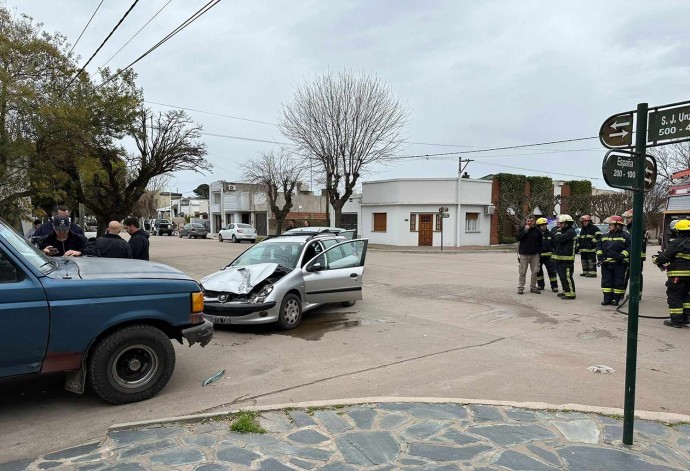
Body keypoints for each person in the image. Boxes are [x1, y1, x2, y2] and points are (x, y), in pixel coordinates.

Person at [653, 219, 690, 328]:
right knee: (686, 296)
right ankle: (686, 318)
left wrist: (656, 260)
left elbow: (664, 258)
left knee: (675, 296)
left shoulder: (677, 242)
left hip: (677, 276)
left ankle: (676, 321)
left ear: (678, 231)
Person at [597, 215, 630, 306]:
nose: (609, 226)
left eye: (611, 224)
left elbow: (630, 248)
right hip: (606, 263)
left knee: (618, 282)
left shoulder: (625, 236)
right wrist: (600, 256)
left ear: (617, 225)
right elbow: (599, 246)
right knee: (606, 282)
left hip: (619, 264)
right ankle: (607, 299)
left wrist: (622, 255)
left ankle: (616, 299)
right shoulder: (605, 235)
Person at [622, 208, 648, 298]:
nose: (627, 220)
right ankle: (635, 294)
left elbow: (633, 243)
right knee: (632, 274)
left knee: (632, 275)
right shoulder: (633, 227)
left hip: (634, 256)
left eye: (628, 218)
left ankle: (634, 294)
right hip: (635, 256)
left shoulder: (636, 228)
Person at [515, 216, 543, 294]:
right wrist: (525, 230)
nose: (529, 222)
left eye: (531, 221)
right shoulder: (522, 229)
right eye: (528, 221)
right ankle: (521, 288)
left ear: (534, 222)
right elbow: (517, 238)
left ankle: (533, 287)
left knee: (535, 272)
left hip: (534, 255)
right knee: (522, 272)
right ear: (526, 222)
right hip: (524, 254)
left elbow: (541, 243)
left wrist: (539, 252)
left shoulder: (537, 231)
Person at [552, 214, 577, 300]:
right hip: (560, 258)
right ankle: (565, 290)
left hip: (567, 259)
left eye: (561, 223)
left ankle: (570, 293)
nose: (560, 225)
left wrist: (558, 232)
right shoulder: (564, 231)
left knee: (567, 276)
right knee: (562, 276)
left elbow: (560, 239)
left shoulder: (571, 232)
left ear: (567, 223)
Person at [535, 218, 559, 292]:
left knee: (552, 271)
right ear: (538, 226)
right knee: (538, 271)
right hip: (538, 256)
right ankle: (540, 285)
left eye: (545, 225)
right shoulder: (536, 234)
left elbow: (555, 245)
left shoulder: (551, 234)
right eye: (542, 225)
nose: (543, 226)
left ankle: (554, 286)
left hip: (549, 256)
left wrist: (555, 254)